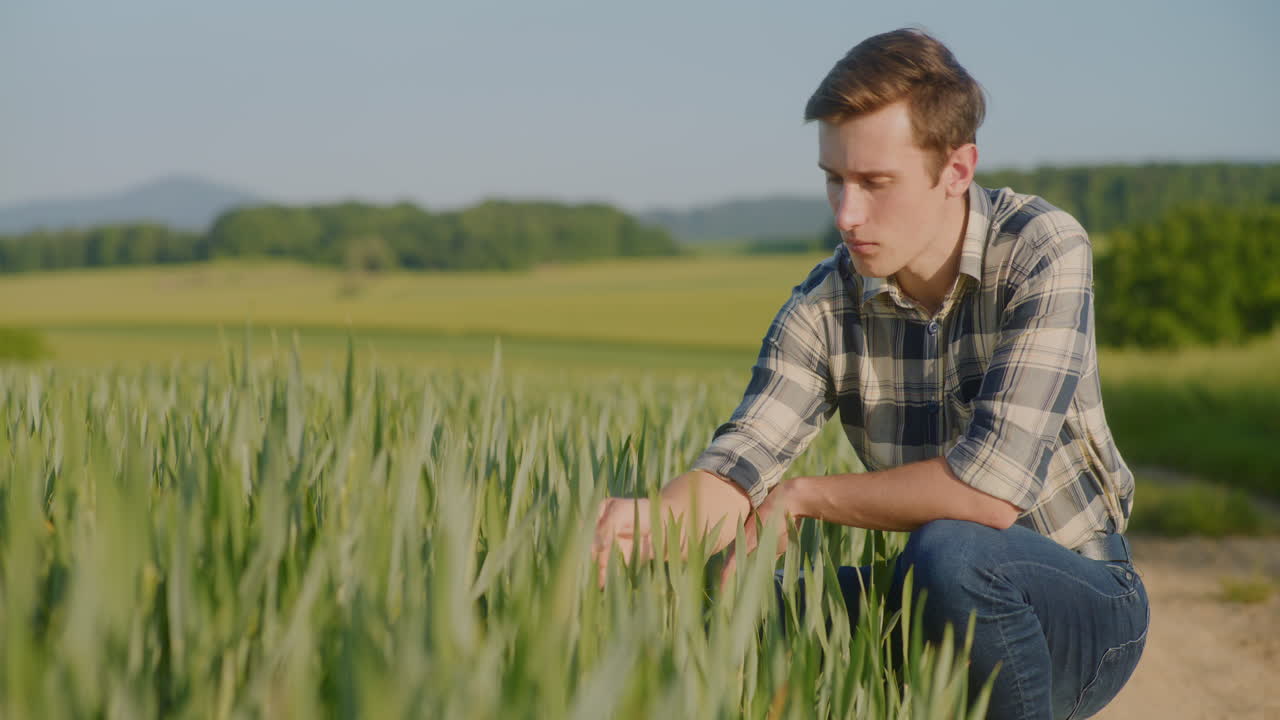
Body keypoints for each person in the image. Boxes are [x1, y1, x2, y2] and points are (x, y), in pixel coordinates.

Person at [591, 27, 1148, 720]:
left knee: (951, 553)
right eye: (834, 180)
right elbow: (740, 461)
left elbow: (990, 493)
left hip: (1084, 597)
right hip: (934, 592)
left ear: (957, 169)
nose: (847, 215)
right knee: (720, 587)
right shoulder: (825, 304)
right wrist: (657, 522)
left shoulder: (1042, 248)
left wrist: (803, 496)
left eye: (875, 183)